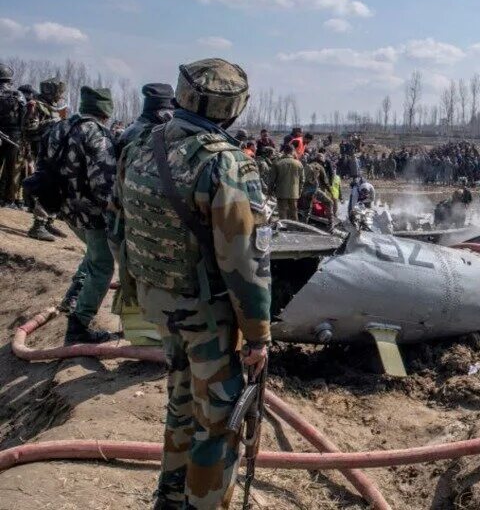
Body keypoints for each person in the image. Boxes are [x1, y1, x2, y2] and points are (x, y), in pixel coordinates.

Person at [119, 58, 270, 509]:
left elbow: (121, 222)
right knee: (219, 421)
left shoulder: (141, 143)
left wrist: (134, 286)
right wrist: (259, 335)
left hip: (158, 300)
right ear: (233, 108)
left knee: (183, 400)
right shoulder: (225, 165)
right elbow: (243, 260)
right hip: (205, 311)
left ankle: (170, 497)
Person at [46, 86, 119, 344]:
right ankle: (79, 325)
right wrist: (117, 209)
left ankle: (73, 295)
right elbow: (103, 182)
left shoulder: (61, 127)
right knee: (103, 265)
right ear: (105, 111)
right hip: (91, 213)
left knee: (93, 253)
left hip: (66, 207)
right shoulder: (96, 133)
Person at [21, 77, 69, 241]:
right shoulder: (35, 105)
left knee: (58, 186)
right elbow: (29, 129)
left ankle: (49, 221)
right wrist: (52, 124)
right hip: (41, 151)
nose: (61, 96)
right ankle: (38, 225)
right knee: (47, 186)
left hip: (54, 152)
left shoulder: (54, 108)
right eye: (59, 92)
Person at [117, 83, 174, 156]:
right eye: (170, 111)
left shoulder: (131, 129)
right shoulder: (150, 134)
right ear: (161, 113)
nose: (172, 116)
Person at [0, 64, 27, 207]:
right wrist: (21, 135)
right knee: (12, 169)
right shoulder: (18, 94)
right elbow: (23, 116)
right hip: (14, 135)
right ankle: (8, 199)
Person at [269, 143, 304, 220]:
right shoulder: (299, 164)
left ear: (284, 151)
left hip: (281, 192)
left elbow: (272, 180)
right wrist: (299, 192)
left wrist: (270, 192)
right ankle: (295, 228)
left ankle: (283, 229)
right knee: (294, 211)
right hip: (294, 193)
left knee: (282, 211)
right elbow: (302, 180)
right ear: (292, 152)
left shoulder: (277, 163)